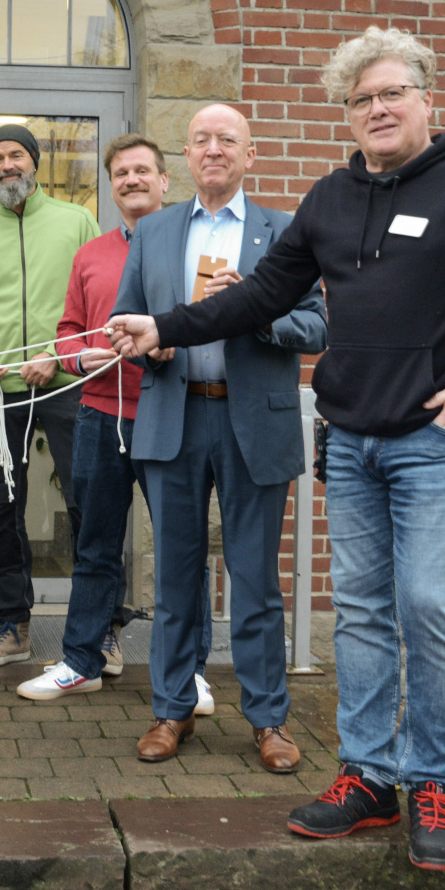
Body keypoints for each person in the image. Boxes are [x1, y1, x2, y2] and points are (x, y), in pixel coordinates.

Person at [109, 26, 445, 872]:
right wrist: (163, 325)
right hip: (350, 440)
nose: (379, 109)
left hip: (439, 439)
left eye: (393, 93)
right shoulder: (329, 198)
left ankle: (431, 781)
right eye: (362, 100)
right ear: (347, 115)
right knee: (358, 613)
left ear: (427, 98)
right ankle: (367, 778)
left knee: (430, 605)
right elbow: (258, 300)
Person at [93, 107, 326, 783]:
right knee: (174, 578)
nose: (214, 150)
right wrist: (153, 342)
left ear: (250, 155)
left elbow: (316, 327)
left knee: (255, 581)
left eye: (228, 140)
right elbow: (123, 322)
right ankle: (172, 709)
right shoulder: (157, 230)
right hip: (175, 418)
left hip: (253, 422)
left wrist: (256, 312)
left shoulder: (283, 231)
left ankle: (268, 720)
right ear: (186, 159)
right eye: (202, 141)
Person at [18, 133, 208, 705]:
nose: (131, 181)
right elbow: (67, 333)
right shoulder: (92, 254)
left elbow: (215, 322)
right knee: (95, 544)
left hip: (172, 415)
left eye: (142, 171)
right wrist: (81, 356)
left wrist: (176, 339)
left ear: (164, 180)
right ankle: (82, 660)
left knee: (181, 546)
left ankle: (188, 672)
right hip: (101, 416)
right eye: (121, 173)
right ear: (112, 184)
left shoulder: (194, 246)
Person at [0, 124, 100, 667]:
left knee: (89, 501)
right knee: (1, 507)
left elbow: (98, 300)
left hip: (68, 386)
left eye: (16, 154)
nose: (6, 164)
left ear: (34, 163)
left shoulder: (77, 220)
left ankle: (102, 628)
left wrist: (60, 356)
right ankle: (11, 626)